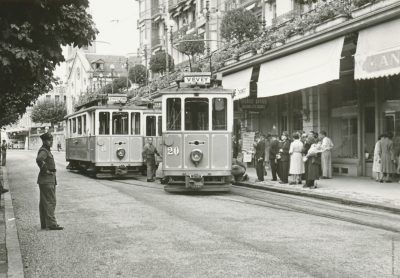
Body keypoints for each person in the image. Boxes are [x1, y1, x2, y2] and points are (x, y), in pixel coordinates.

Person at [36, 132, 63, 230]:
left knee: (44, 202)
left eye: (51, 140)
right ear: (44, 141)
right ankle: (51, 224)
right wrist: (46, 170)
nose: (51, 142)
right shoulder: (44, 151)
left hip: (45, 180)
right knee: (51, 201)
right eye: (49, 140)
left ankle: (45, 224)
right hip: (47, 180)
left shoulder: (46, 150)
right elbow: (39, 159)